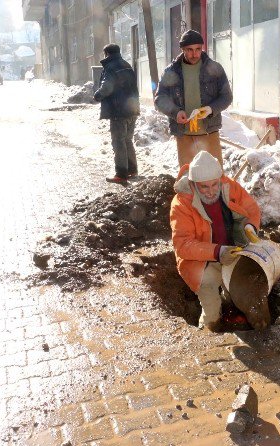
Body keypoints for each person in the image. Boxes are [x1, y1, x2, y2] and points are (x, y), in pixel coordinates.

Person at [170, 151, 261, 331]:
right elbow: (183, 245)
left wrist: (250, 227)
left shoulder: (228, 186)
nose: (211, 191)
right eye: (204, 187)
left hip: (232, 251)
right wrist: (217, 252)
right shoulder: (181, 204)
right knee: (212, 311)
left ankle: (230, 310)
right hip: (200, 261)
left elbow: (251, 208)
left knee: (238, 292)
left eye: (214, 184)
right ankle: (209, 331)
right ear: (194, 184)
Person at [154, 29, 232, 167]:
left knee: (214, 174)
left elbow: (226, 97)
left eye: (198, 49)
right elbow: (160, 98)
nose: (195, 54)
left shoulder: (215, 69)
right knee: (188, 176)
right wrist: (175, 112)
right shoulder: (170, 71)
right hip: (183, 133)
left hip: (209, 131)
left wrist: (210, 109)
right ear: (182, 49)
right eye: (189, 50)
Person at [94, 43, 140, 185]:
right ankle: (132, 170)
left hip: (118, 111)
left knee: (118, 142)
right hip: (132, 108)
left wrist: (98, 95)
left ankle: (121, 174)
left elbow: (107, 87)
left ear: (106, 54)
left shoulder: (110, 67)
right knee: (127, 140)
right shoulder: (126, 65)